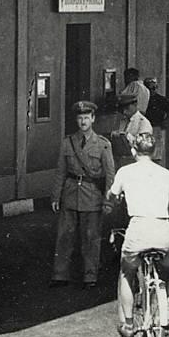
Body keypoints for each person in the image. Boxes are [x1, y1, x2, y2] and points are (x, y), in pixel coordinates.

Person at [108, 131, 169, 337]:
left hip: (138, 230)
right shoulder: (166, 174)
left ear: (133, 151)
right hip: (162, 229)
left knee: (126, 273)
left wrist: (112, 199)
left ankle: (129, 324)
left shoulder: (125, 172)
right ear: (155, 151)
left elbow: (112, 196)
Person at [50, 100, 115, 287]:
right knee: (64, 236)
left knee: (91, 238)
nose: (83, 122)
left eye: (86, 118)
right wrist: (56, 196)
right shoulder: (67, 143)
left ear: (93, 119)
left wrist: (108, 200)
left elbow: (110, 175)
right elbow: (61, 171)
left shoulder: (103, 145)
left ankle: (90, 276)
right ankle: (60, 274)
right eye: (80, 118)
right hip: (70, 194)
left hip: (92, 195)